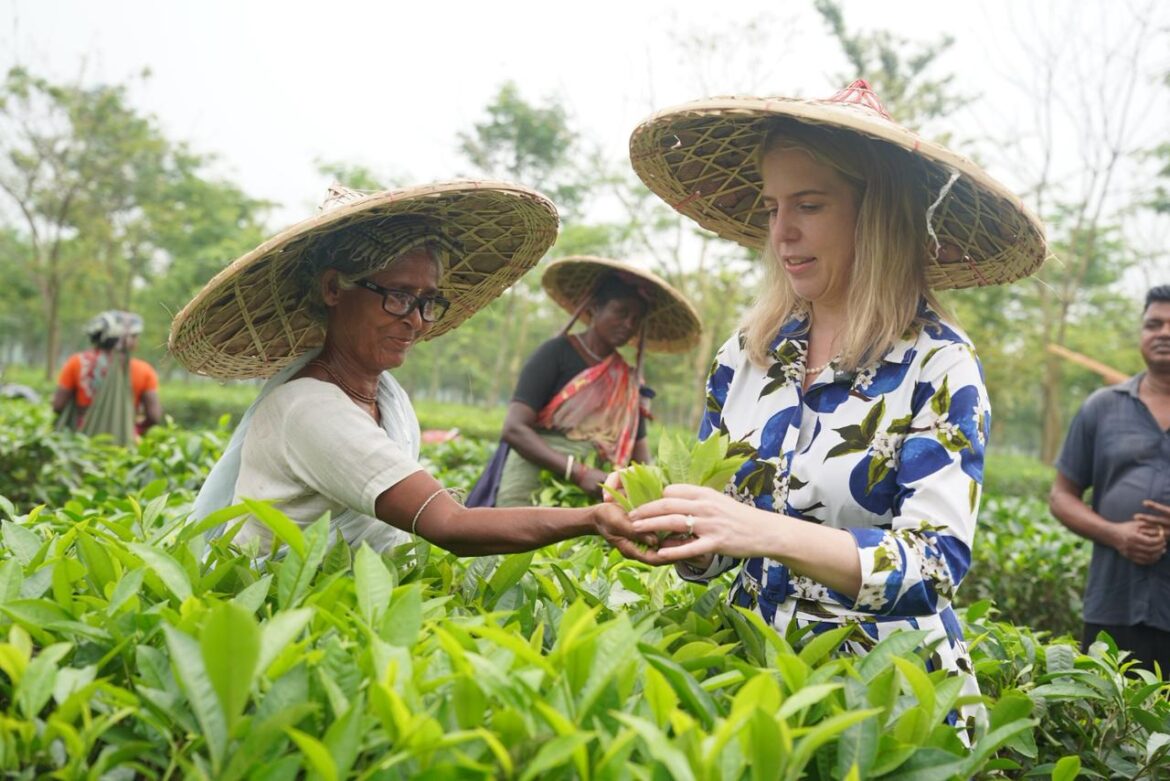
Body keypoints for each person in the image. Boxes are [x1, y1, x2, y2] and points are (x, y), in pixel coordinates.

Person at [621, 80, 1047, 736]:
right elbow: (716, 550)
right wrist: (672, 526)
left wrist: (762, 530)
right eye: (771, 207)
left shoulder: (938, 364)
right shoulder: (747, 355)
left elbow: (933, 565)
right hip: (759, 694)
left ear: (875, 212)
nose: (783, 232)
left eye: (810, 205)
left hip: (889, 711)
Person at [172, 181, 649, 558]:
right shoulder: (308, 408)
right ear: (334, 288)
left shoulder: (387, 398)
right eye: (398, 296)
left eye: (427, 302)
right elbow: (450, 526)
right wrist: (591, 519)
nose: (416, 320)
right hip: (280, 617)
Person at [468, 257, 701, 507]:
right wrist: (578, 472)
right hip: (533, 482)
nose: (628, 325)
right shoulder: (555, 353)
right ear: (595, 308)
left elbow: (639, 454)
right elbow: (514, 428)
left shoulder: (629, 382)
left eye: (636, 319)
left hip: (595, 490)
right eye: (621, 312)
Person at [1050, 285, 1170, 675]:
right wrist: (1118, 534)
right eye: (1154, 324)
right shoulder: (1101, 407)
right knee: (1108, 726)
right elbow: (1061, 496)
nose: (1164, 332)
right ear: (1141, 334)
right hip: (1113, 606)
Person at [52, 310, 163, 444]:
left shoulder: (76, 363)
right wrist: (136, 429)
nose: (136, 341)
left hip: (81, 439)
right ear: (126, 339)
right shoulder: (144, 370)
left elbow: (58, 406)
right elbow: (154, 416)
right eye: (135, 336)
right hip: (123, 439)